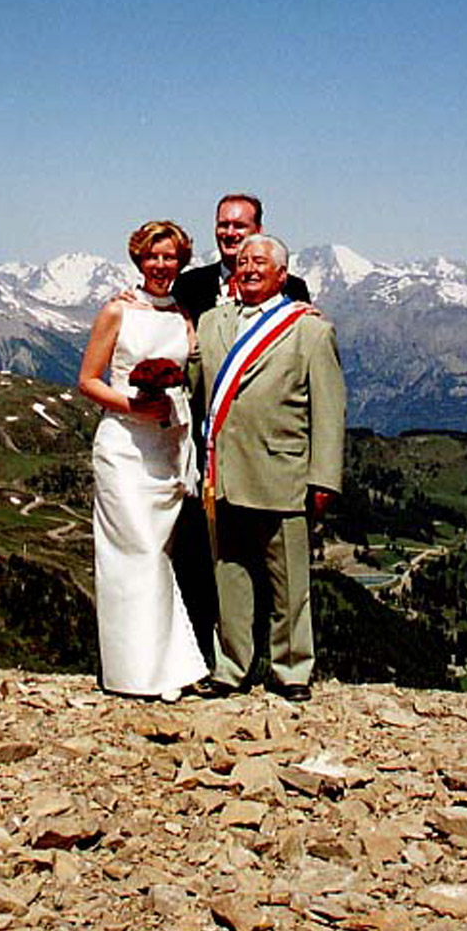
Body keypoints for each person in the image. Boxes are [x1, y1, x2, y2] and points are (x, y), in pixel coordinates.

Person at [194, 233, 345, 701]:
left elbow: (329, 410)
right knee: (230, 578)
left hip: (283, 473)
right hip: (223, 472)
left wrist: (324, 477)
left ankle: (292, 670)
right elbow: (193, 386)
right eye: (243, 261)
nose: (250, 268)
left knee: (289, 583)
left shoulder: (310, 330)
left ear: (283, 274)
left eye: (260, 261)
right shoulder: (209, 323)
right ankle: (230, 668)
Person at [77, 221, 206, 701]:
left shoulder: (183, 315)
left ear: (181, 262)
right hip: (124, 448)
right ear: (139, 259)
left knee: (159, 555)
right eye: (153, 256)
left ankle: (165, 666)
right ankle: (134, 672)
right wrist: (133, 406)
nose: (161, 265)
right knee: (134, 555)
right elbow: (88, 380)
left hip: (166, 449)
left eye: (169, 257)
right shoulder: (117, 310)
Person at [172, 193, 310, 324]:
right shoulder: (188, 285)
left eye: (239, 226)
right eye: (223, 225)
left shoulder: (290, 288)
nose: (230, 233)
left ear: (258, 230)